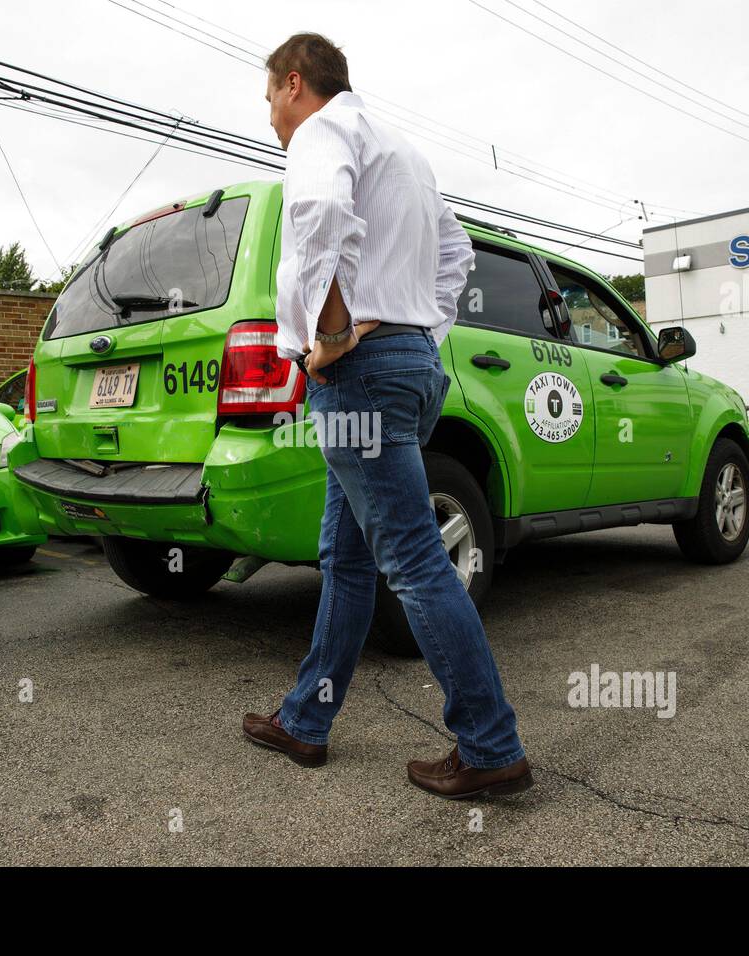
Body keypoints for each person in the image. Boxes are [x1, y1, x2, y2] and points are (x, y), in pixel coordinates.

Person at [242, 34, 532, 799]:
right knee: (345, 556)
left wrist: (333, 329)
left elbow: (319, 207)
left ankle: (490, 745)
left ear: (295, 83)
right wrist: (418, 335)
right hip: (404, 368)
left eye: (270, 95)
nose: (270, 113)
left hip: (357, 375)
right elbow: (457, 258)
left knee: (410, 559)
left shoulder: (322, 131)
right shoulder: (404, 153)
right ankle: (306, 720)